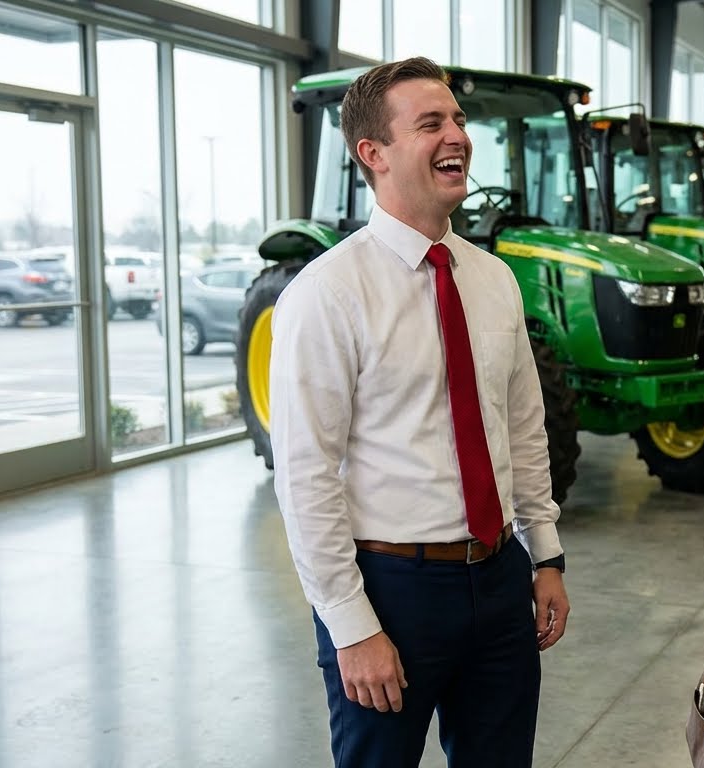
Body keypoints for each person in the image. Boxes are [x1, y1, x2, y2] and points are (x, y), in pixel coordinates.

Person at [270, 57, 570, 768]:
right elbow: (306, 476)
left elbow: (522, 429)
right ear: (373, 153)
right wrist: (351, 627)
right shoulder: (326, 293)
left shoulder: (493, 279)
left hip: (499, 579)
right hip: (391, 589)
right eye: (430, 123)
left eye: (458, 120)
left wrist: (545, 554)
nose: (457, 136)